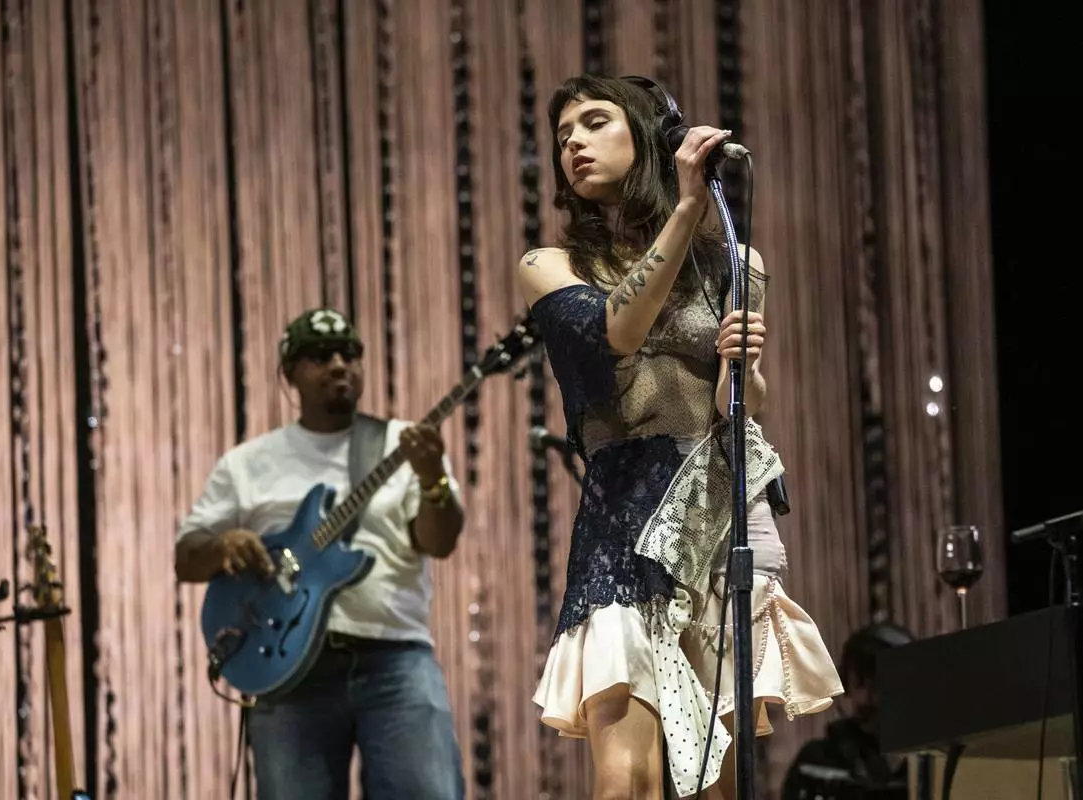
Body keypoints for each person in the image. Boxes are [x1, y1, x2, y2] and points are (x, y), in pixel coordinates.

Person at [517, 74, 843, 800]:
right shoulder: (551, 267)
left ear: (646, 133)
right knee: (627, 775)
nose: (571, 141)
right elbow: (618, 331)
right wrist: (690, 202)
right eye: (562, 132)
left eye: (594, 122)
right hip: (623, 518)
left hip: (714, 513)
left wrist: (742, 367)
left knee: (715, 778)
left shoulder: (735, 263)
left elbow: (743, 406)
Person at [174, 308, 465, 800]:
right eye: (320, 356)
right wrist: (224, 545)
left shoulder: (403, 443)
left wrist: (433, 477)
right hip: (287, 670)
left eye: (350, 353)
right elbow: (187, 557)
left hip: (396, 657)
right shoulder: (248, 463)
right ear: (289, 374)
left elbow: (439, 542)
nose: (339, 364)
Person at [781, 623, 915, 800]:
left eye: (878, 683)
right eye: (859, 681)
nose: (865, 699)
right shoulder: (816, 762)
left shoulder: (934, 759)